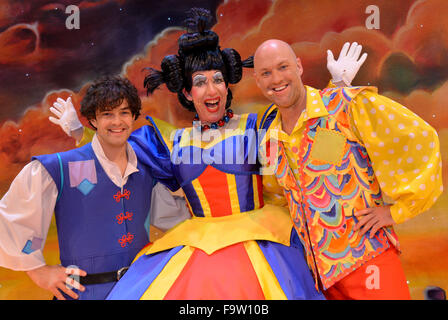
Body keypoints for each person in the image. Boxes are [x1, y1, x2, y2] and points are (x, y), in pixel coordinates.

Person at [253, 39, 443, 299]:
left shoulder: (344, 104)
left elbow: (419, 138)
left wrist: (397, 210)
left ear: (298, 66)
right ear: (257, 80)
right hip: (323, 281)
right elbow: (283, 201)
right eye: (266, 72)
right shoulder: (270, 141)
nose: (276, 78)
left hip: (369, 265)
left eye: (283, 66)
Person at [0, 76, 189, 300]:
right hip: (82, 294)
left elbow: (174, 222)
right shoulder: (60, 167)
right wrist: (38, 271)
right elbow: (11, 218)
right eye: (107, 114)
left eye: (124, 112)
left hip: (140, 292)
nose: (117, 121)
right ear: (93, 120)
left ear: (134, 116)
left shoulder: (146, 168)